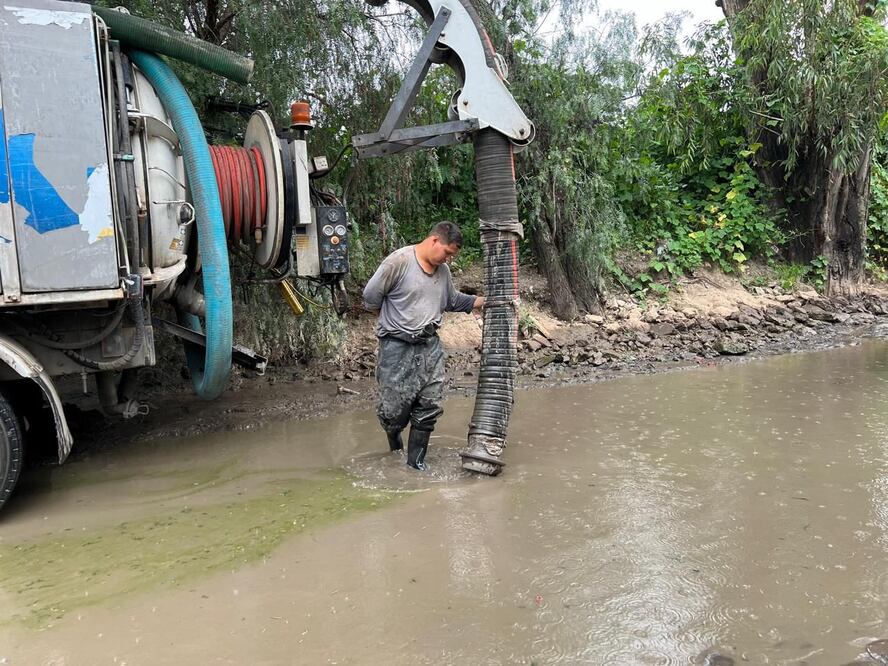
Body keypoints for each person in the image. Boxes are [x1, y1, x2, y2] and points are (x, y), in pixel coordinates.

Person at [363, 221, 484, 470]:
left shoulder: (443, 273)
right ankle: (395, 445)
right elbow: (370, 297)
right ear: (434, 241)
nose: (448, 260)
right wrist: (395, 321)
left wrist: (481, 301)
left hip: (430, 347)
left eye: (452, 256)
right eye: (447, 253)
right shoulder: (399, 262)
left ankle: (416, 465)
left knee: (429, 406)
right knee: (394, 413)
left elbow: (451, 300)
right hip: (397, 347)